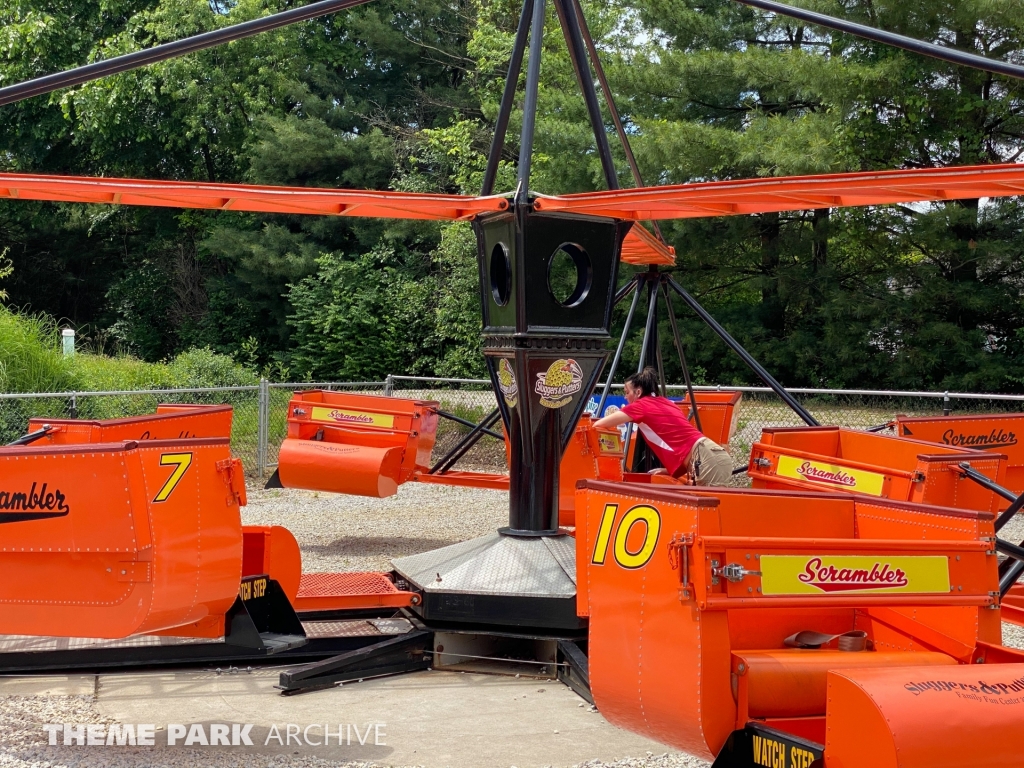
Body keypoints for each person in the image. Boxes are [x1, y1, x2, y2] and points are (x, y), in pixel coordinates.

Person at [593, 367, 732, 486]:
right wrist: (667, 471)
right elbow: (684, 449)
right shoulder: (666, 403)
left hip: (706, 459)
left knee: (710, 513)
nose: (625, 397)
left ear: (638, 392)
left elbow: (598, 425)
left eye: (627, 392)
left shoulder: (640, 406)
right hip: (711, 455)